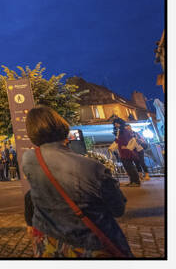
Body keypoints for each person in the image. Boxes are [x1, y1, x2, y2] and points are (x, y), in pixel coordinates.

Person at [22, 106, 132, 257]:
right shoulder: (93, 167)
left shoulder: (28, 159)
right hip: (89, 244)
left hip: (49, 243)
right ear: (61, 126)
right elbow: (118, 209)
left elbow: (33, 193)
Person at [109, 118, 142, 187]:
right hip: (123, 152)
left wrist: (128, 147)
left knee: (130, 167)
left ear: (120, 123)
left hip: (127, 152)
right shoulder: (120, 131)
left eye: (117, 123)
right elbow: (117, 141)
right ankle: (132, 181)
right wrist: (111, 148)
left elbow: (132, 140)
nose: (115, 124)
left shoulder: (124, 131)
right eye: (115, 123)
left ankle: (136, 181)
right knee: (128, 167)